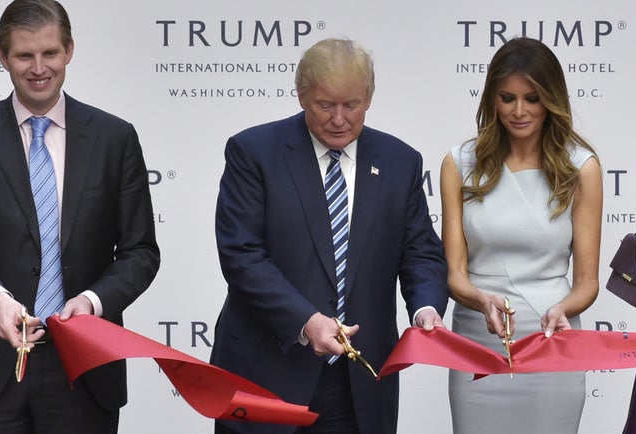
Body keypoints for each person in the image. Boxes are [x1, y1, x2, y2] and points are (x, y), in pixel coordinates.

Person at [0, 0, 160, 432]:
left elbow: (140, 252)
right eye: (24, 55)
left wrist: (92, 303)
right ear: (3, 57)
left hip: (84, 366)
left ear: (69, 50)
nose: (39, 68)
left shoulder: (115, 138)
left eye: (50, 53)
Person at [210, 37, 449, 434]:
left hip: (358, 384)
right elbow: (241, 254)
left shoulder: (400, 162)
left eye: (351, 105)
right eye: (325, 105)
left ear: (368, 99)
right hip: (266, 375)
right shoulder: (253, 152)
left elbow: (420, 251)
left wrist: (426, 310)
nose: (339, 119)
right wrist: (306, 321)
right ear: (302, 95)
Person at [440, 37, 602, 434]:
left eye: (532, 98)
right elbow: (455, 275)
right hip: (478, 341)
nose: (519, 111)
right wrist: (480, 299)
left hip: (551, 340)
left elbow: (587, 282)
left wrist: (563, 309)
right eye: (507, 98)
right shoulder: (458, 164)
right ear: (492, 99)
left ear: (552, 98)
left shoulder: (581, 168)